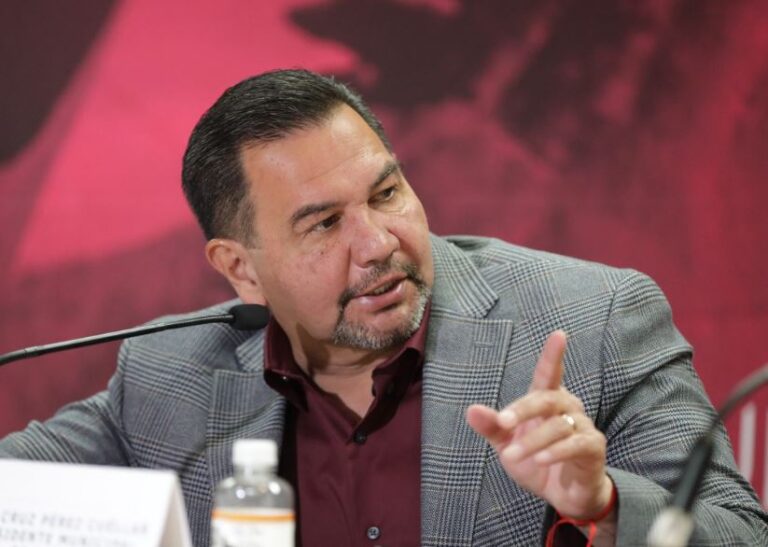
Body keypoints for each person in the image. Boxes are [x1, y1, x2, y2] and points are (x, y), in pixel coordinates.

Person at [1, 69, 765, 546]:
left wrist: (604, 503)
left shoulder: (594, 320)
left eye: (387, 192)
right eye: (323, 224)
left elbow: (740, 533)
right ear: (241, 269)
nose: (377, 243)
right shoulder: (168, 377)